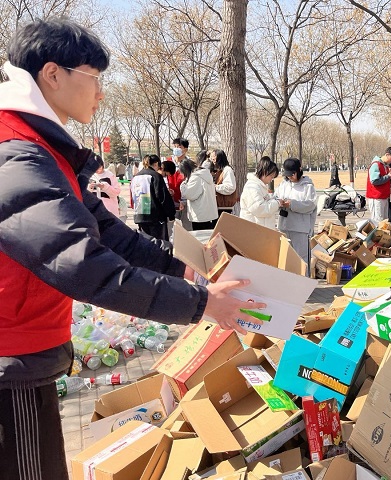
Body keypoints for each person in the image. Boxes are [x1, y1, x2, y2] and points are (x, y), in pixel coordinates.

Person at [0, 18, 264, 480]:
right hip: (11, 353)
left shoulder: (43, 150)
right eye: (94, 77)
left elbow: (109, 232)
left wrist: (183, 269)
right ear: (52, 74)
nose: (100, 92)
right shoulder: (17, 153)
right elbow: (85, 265)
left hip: (26, 348)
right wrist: (203, 304)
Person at [275, 158, 317, 275]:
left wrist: (292, 204)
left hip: (300, 229)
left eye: (292, 174)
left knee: (301, 258)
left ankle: (304, 286)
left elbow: (311, 205)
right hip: (284, 226)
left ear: (299, 170)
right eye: (287, 175)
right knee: (286, 258)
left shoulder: (308, 186)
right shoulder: (283, 185)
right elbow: (276, 197)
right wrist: (279, 202)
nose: (290, 177)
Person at [130, 154, 176, 240]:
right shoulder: (155, 176)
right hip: (155, 216)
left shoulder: (136, 177)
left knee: (146, 243)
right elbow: (162, 197)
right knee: (159, 244)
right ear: (156, 164)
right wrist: (171, 213)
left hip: (140, 214)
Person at [179, 156, 219, 231]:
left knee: (201, 238)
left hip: (200, 215)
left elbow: (189, 194)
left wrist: (183, 184)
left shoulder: (195, 178)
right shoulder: (205, 174)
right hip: (209, 213)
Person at [240, 157, 280, 228]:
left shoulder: (259, 186)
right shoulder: (252, 187)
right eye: (271, 176)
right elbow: (259, 209)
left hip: (258, 228)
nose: (271, 180)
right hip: (253, 230)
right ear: (265, 172)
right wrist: (277, 203)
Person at [366, 147, 391, 224]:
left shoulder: (384, 166)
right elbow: (374, 181)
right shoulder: (376, 164)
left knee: (384, 222)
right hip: (376, 197)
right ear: (387, 155)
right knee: (377, 222)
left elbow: (384, 179)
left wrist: (389, 177)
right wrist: (388, 177)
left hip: (383, 197)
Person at [212, 149, 238, 216]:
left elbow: (230, 187)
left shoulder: (227, 170)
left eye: (214, 158)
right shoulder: (220, 171)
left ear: (219, 158)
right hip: (220, 207)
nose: (212, 160)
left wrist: (215, 187)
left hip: (225, 207)